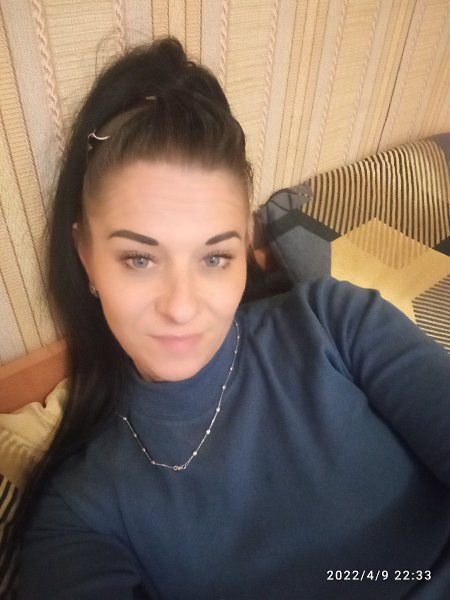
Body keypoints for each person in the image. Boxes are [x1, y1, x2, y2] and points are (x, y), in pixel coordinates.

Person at [14, 37, 450, 599]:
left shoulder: (335, 322)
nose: (180, 306)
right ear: (85, 257)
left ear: (245, 244)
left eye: (215, 257)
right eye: (139, 259)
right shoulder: (80, 512)